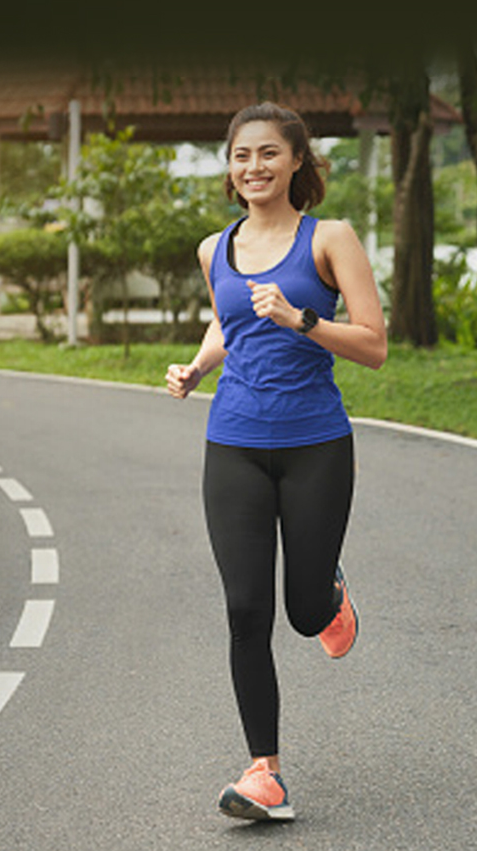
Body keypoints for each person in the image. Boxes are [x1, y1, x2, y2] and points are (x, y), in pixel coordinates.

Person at [166, 102, 387, 823]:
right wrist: (199, 366)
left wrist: (304, 320)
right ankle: (265, 773)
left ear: (296, 161)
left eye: (267, 154)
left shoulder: (331, 238)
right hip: (233, 443)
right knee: (244, 609)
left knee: (299, 612)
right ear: (229, 169)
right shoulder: (213, 248)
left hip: (316, 444)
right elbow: (226, 320)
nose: (252, 167)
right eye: (240, 156)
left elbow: (374, 345)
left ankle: (328, 595)